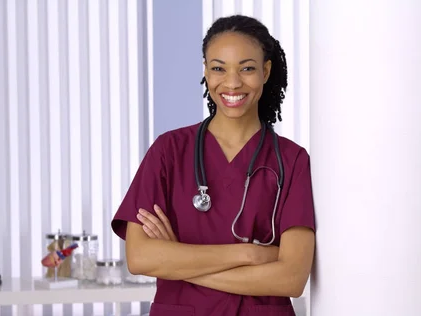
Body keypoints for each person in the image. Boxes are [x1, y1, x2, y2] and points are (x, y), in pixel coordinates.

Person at [111, 14, 316, 316]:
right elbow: (140, 257)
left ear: (266, 71)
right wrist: (250, 253)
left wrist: (177, 262)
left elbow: (291, 278)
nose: (232, 83)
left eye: (247, 68)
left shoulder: (291, 160)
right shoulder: (169, 151)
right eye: (219, 68)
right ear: (206, 71)